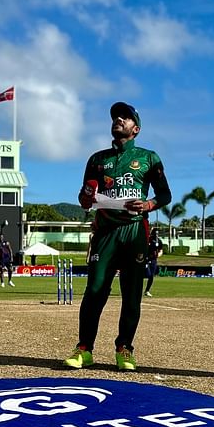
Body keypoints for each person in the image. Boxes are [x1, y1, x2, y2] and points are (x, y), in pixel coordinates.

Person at [64, 102, 172, 372]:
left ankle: (125, 349)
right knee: (95, 291)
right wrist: (87, 196)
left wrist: (147, 205)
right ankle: (84, 349)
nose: (118, 120)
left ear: (136, 128)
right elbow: (84, 201)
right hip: (105, 232)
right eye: (115, 117)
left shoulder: (149, 157)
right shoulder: (97, 159)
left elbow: (165, 195)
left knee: (132, 293)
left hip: (135, 231)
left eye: (125, 118)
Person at [144, 228, 164, 297]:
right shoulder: (148, 239)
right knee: (147, 274)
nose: (156, 235)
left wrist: (159, 254)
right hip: (146, 259)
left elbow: (161, 250)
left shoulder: (159, 241)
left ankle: (147, 291)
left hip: (153, 260)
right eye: (155, 233)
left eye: (157, 234)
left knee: (151, 276)